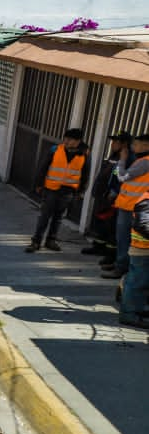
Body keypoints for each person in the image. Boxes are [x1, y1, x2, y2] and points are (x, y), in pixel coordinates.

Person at [26, 128, 88, 252]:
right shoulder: (55, 150)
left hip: (68, 191)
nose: (66, 141)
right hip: (51, 189)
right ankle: (36, 241)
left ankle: (51, 240)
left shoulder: (84, 155)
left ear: (78, 141)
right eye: (65, 138)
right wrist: (38, 184)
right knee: (45, 216)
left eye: (69, 139)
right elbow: (43, 167)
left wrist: (80, 192)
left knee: (58, 217)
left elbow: (85, 174)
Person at [106, 133, 149, 279]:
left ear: (146, 146)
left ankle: (121, 267)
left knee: (124, 238)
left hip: (131, 206)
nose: (132, 147)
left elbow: (121, 176)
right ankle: (121, 264)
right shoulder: (141, 160)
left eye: (136, 144)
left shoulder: (144, 162)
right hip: (132, 205)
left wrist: (122, 161)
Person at [84, 131, 132, 260]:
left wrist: (115, 192)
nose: (113, 144)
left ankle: (110, 253)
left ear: (125, 144)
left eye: (116, 141)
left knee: (111, 226)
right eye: (113, 141)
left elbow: (123, 178)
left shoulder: (126, 158)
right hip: (103, 194)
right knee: (100, 222)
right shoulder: (114, 155)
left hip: (113, 198)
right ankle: (98, 246)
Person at [120, 193, 149, 328]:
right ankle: (129, 314)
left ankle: (137, 310)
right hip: (142, 250)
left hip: (143, 249)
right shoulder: (146, 200)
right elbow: (142, 225)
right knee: (137, 283)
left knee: (139, 283)